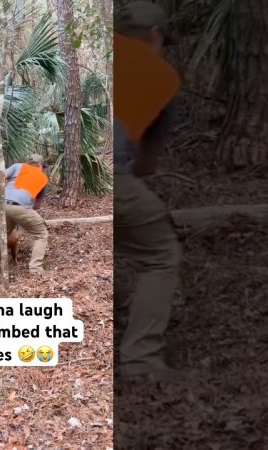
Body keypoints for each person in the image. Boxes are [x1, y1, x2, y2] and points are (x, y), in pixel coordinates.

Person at [113, 1, 190, 382]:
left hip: (49, 178)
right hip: (112, 178)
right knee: (160, 254)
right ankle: (141, 362)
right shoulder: (161, 76)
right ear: (156, 36)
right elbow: (145, 165)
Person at [0, 154, 49, 276]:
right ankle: (36, 269)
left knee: (1, 236)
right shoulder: (43, 178)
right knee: (42, 234)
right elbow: (37, 206)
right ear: (40, 166)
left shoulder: (17, 167)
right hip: (21, 208)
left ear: (28, 163)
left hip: (3, 205)